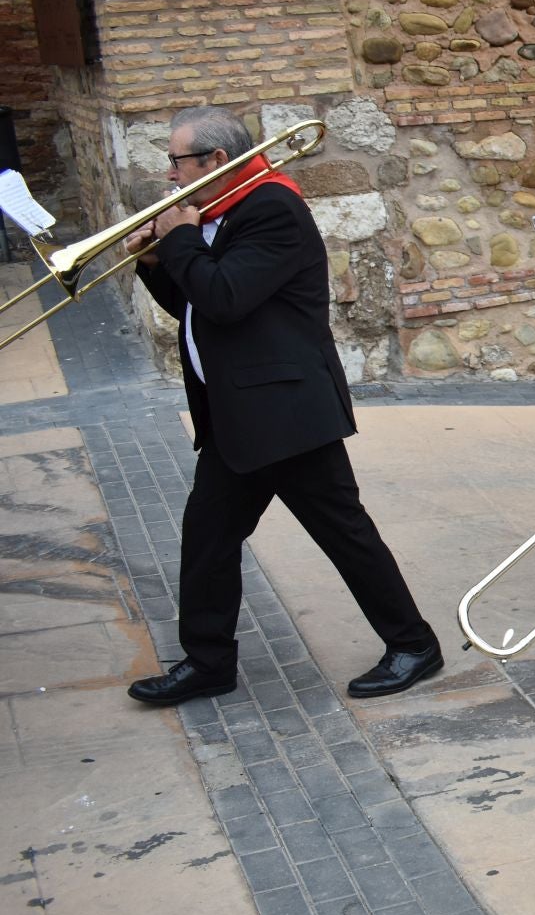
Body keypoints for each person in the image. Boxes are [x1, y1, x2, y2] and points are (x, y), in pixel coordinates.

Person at [123, 107, 442, 705]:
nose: (169, 174)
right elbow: (195, 306)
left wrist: (179, 239)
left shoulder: (272, 207)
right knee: (208, 538)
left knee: (344, 534)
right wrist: (152, 261)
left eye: (176, 160)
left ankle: (414, 644)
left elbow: (224, 296)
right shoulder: (220, 212)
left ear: (217, 160)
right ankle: (208, 663)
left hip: (287, 413)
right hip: (239, 413)